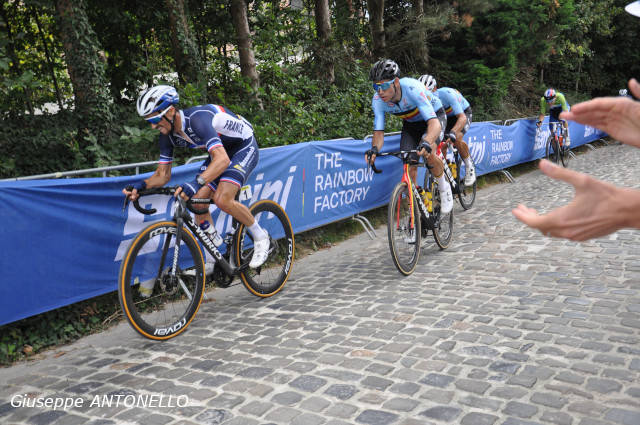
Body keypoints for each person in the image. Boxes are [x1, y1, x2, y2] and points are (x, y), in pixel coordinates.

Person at [123, 85, 270, 272]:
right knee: (198, 203)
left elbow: (222, 160)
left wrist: (196, 182)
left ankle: (260, 237)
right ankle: (212, 261)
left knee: (222, 199)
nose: (153, 126)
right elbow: (162, 175)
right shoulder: (167, 136)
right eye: (149, 122)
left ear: (170, 111)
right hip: (221, 151)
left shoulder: (197, 120)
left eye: (155, 120)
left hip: (242, 146)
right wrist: (140, 186)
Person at [512, 78, 640, 241]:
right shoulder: (544, 100)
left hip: (562, 109)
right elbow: (543, 113)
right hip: (553, 113)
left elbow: (565, 112)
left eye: (551, 100)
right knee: (552, 127)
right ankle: (555, 140)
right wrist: (539, 123)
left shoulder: (560, 97)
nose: (550, 101)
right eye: (548, 100)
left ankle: (566, 138)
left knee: (563, 120)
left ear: (554, 97)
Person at [365, 59, 453, 214]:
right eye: (376, 87)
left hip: (434, 118)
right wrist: (374, 149)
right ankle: (414, 215)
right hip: (411, 124)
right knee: (408, 162)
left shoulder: (412, 89)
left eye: (384, 85)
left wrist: (426, 142)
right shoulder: (378, 100)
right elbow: (379, 132)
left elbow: (434, 124)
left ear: (396, 82)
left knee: (429, 151)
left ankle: (443, 187)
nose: (380, 91)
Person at [419, 74, 476, 186]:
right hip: (445, 117)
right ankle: (444, 174)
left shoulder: (447, 94)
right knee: (440, 144)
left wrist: (453, 132)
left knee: (457, 137)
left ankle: (469, 166)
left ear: (434, 89)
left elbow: (462, 118)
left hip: (462, 114)